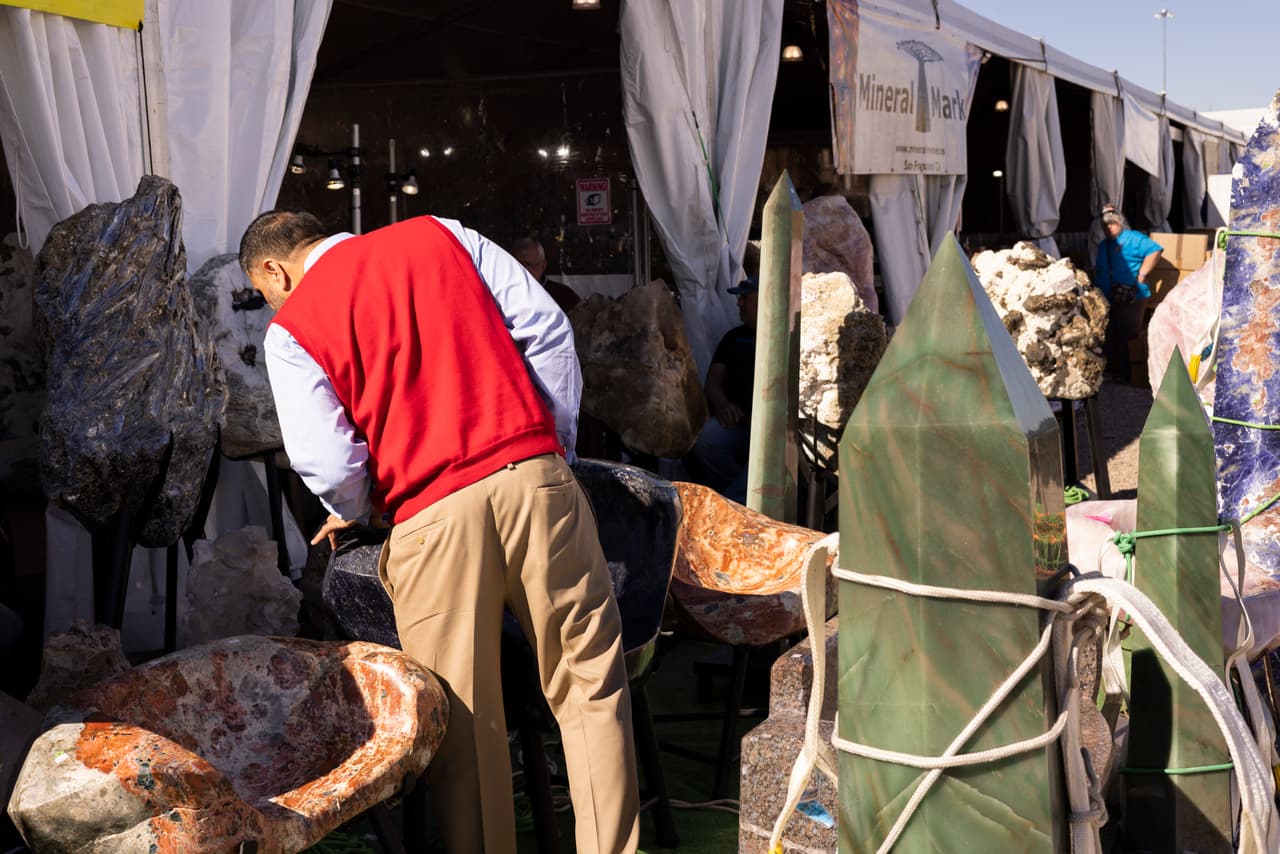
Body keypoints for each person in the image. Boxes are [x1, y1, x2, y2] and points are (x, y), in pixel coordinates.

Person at [238, 211, 639, 854]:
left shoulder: (291, 328)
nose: (272, 302)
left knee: (465, 721)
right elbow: (547, 332)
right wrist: (548, 451)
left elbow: (325, 460)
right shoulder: (443, 232)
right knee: (591, 690)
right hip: (537, 479)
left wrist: (365, 507)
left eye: (265, 294)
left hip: (430, 513)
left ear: (273, 270)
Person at [688, 277, 758, 503]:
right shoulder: (734, 338)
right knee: (708, 440)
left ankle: (733, 504)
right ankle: (729, 497)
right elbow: (714, 380)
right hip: (737, 421)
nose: (738, 304)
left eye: (744, 298)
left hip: (773, 428)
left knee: (762, 461)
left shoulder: (788, 337)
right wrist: (723, 405)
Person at [1094, 205, 1163, 383]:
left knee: (1129, 335)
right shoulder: (1104, 245)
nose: (1108, 227)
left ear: (1120, 223)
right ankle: (1114, 371)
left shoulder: (1132, 238)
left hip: (1132, 295)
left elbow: (1155, 250)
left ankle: (1130, 375)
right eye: (1105, 225)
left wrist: (1142, 275)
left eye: (1112, 223)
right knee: (1111, 335)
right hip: (1109, 298)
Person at [511, 235, 581, 313]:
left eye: (529, 264)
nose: (523, 270)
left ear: (543, 266)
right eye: (518, 265)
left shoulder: (564, 296)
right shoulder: (504, 295)